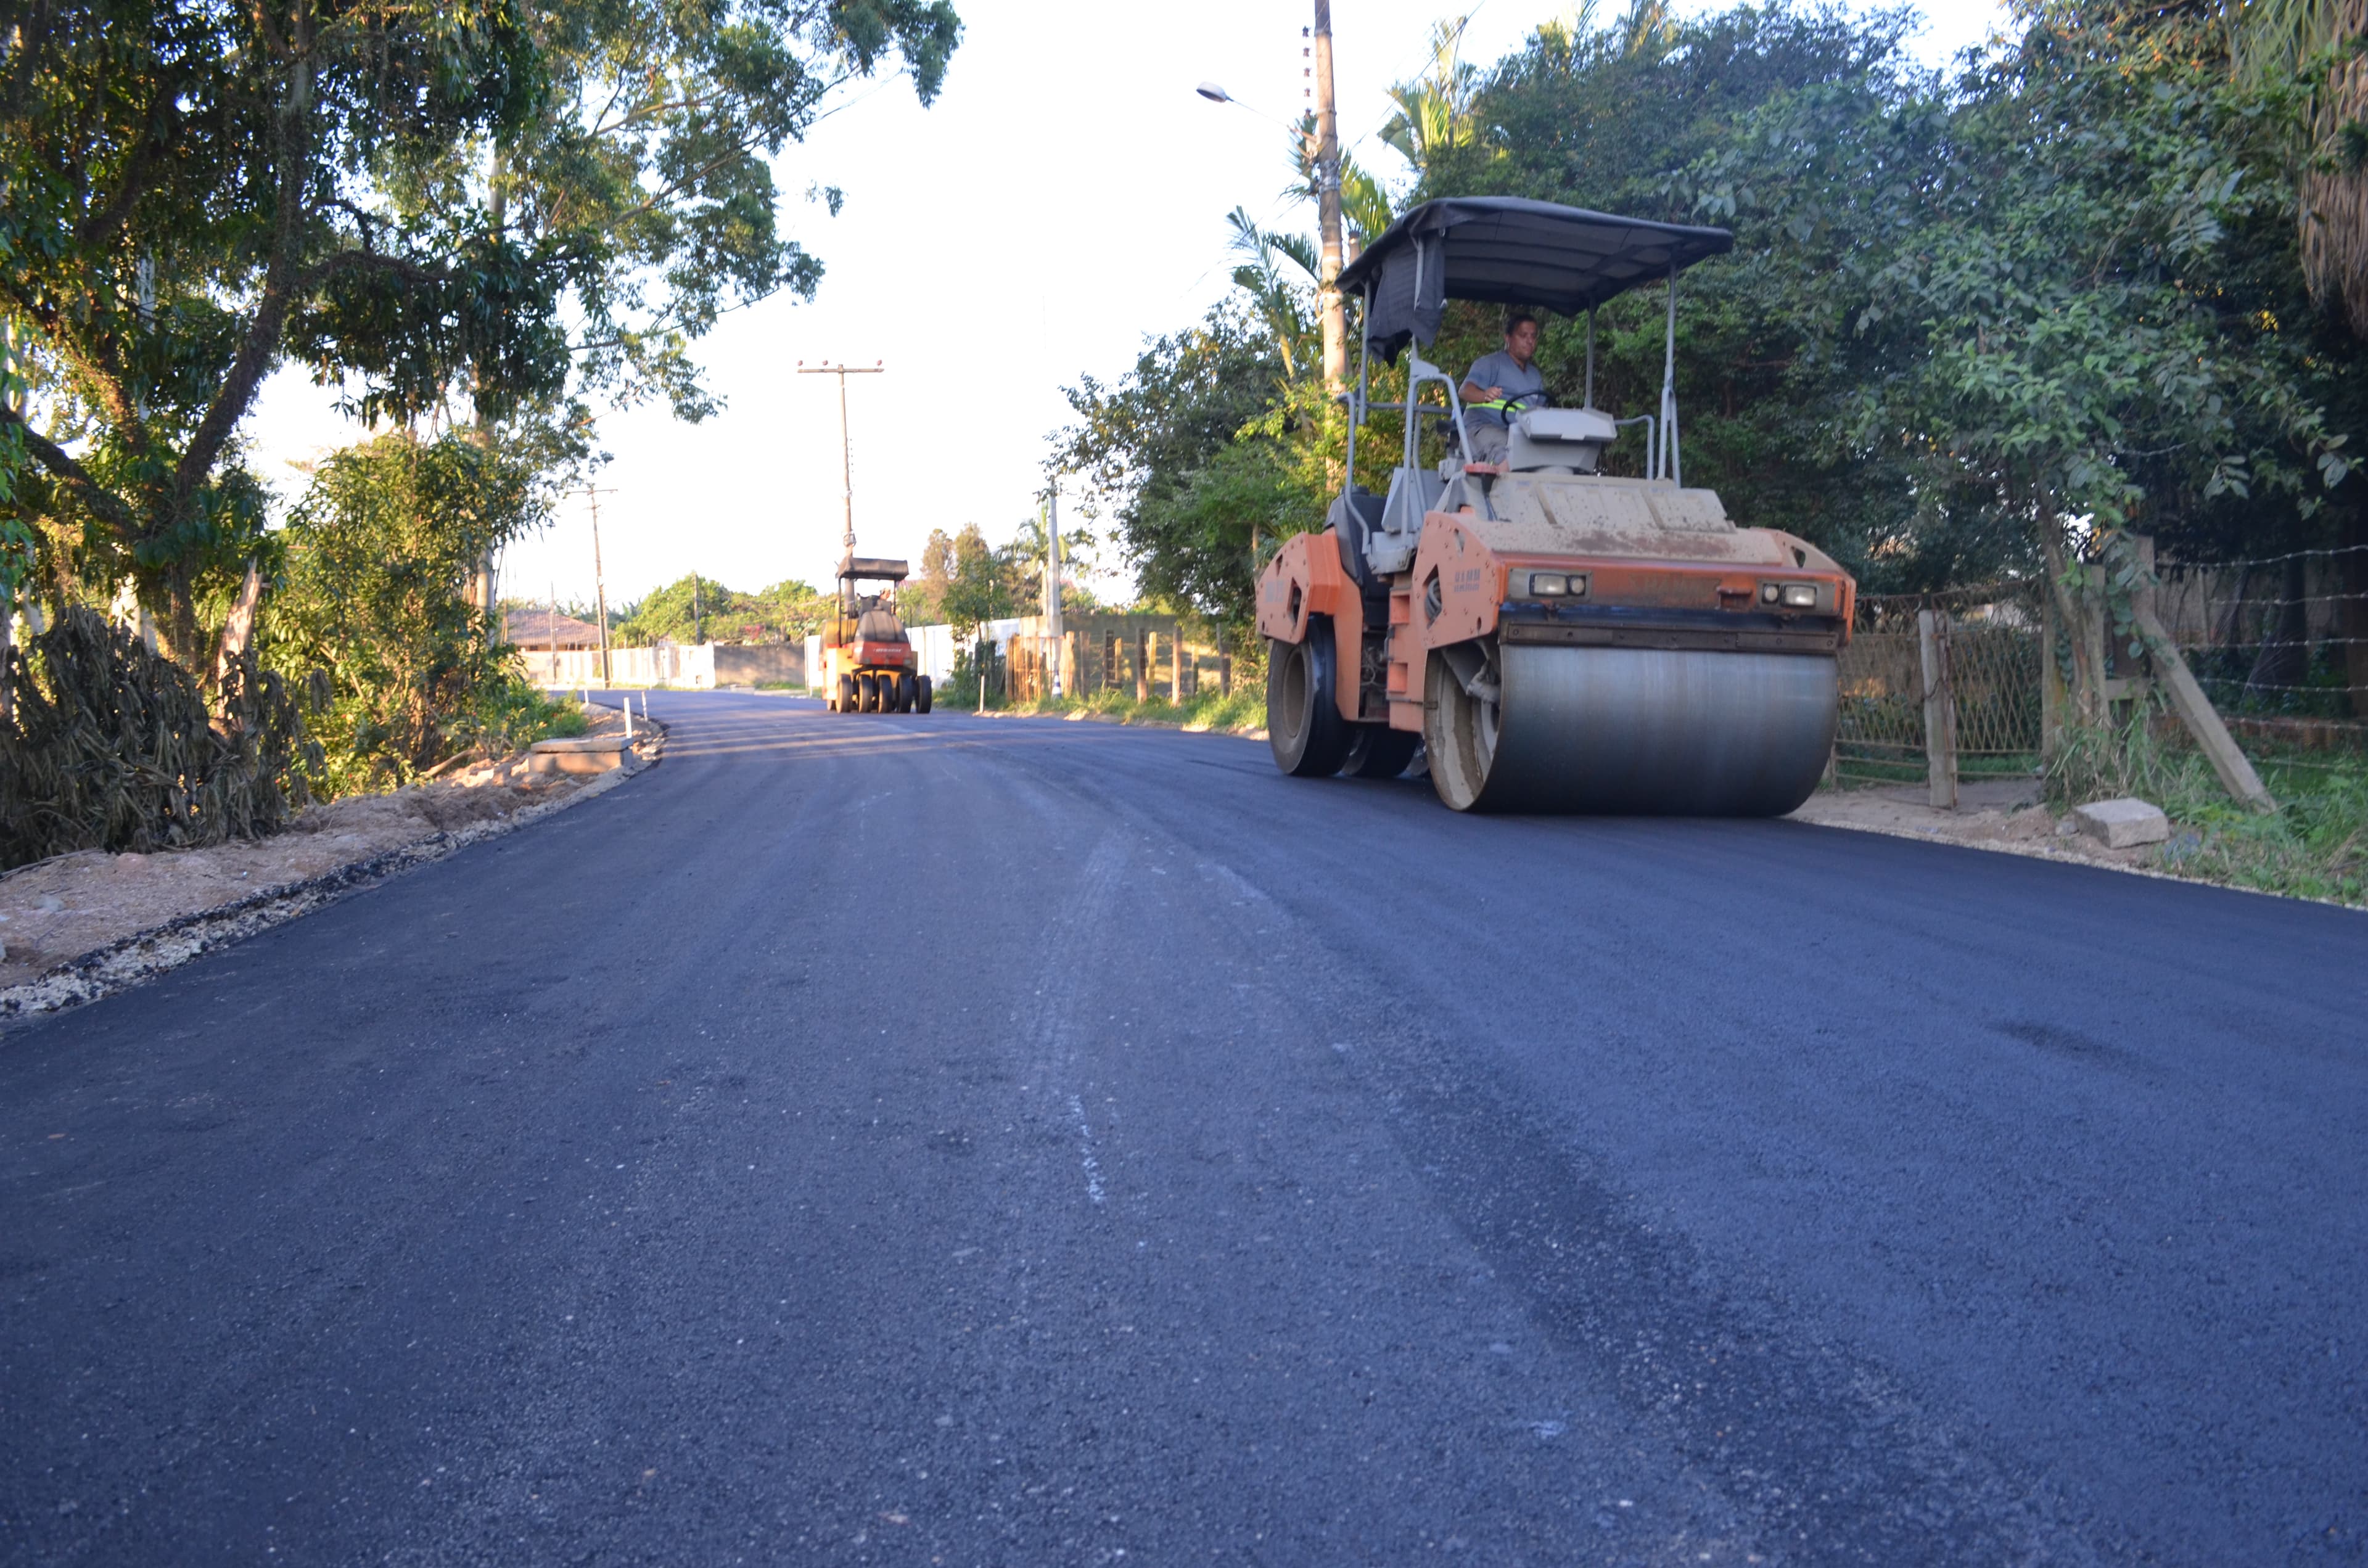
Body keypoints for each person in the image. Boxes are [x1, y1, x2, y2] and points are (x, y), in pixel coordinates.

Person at [1459, 312, 1545, 464]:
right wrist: (1484, 395)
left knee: (1548, 457)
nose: (1530, 341)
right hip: (1483, 428)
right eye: (1523, 335)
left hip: (1518, 435)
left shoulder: (1535, 376)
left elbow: (1541, 414)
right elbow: (1465, 391)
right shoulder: (1490, 364)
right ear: (1508, 338)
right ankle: (1498, 484)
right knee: (1509, 454)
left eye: (1533, 336)